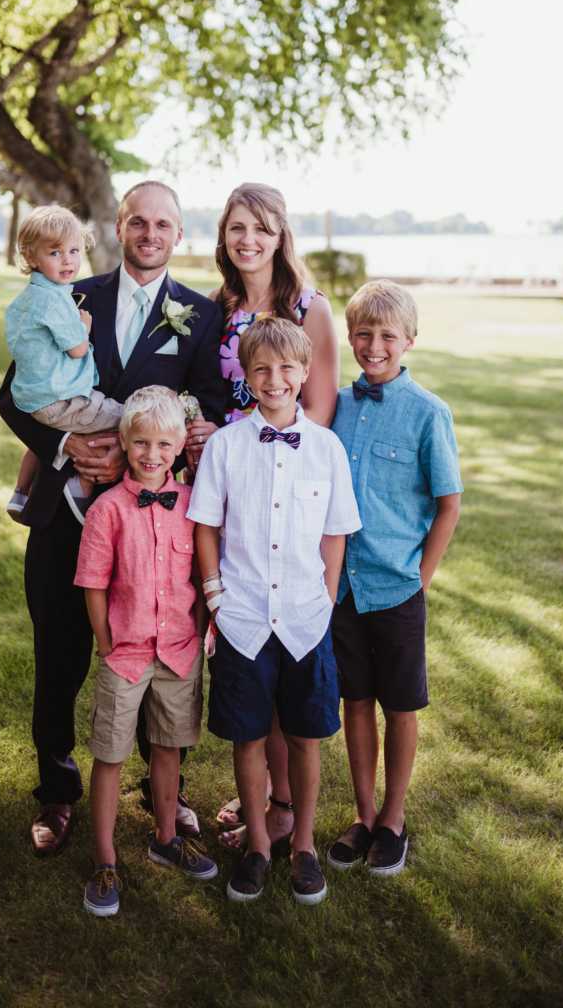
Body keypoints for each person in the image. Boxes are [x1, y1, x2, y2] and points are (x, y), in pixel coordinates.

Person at [0, 181, 224, 857]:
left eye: (163, 225)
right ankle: (57, 791)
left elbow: (207, 402)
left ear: (177, 235)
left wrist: (183, 436)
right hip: (65, 512)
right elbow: (13, 395)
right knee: (60, 654)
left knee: (161, 654)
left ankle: (163, 793)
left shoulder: (199, 314)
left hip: (154, 528)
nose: (150, 234)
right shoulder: (68, 290)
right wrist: (66, 446)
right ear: (118, 227)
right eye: (138, 222)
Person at [184, 181, 340, 854]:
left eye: (263, 228)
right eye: (237, 228)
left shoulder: (309, 307)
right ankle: (256, 795)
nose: (249, 239)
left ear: (282, 236)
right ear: (223, 237)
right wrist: (202, 435)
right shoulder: (214, 309)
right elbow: (207, 395)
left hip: (287, 492)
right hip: (223, 484)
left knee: (288, 649)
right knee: (244, 649)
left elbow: (320, 412)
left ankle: (281, 807)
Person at [189, 317, 361, 905]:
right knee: (250, 737)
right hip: (241, 620)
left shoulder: (328, 449)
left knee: (306, 737)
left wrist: (325, 597)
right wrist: (215, 596)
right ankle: (258, 844)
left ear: (306, 373)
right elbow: (206, 525)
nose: (275, 379)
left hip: (306, 619)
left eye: (287, 368)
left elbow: (335, 534)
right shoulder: (226, 446)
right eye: (261, 368)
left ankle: (305, 844)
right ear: (247, 374)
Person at [328, 280, 462, 876]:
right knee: (354, 700)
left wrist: (422, 578)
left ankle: (394, 817)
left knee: (399, 705)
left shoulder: (429, 413)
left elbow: (448, 504)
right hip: (342, 587)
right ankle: (361, 814)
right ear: (350, 337)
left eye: (386, 336)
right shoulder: (335, 405)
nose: (374, 346)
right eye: (363, 334)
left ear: (409, 339)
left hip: (396, 586)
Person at [75, 387, 217, 917]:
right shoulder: (107, 510)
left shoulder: (192, 505)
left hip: (179, 653)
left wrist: (199, 629)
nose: (151, 454)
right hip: (126, 654)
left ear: (180, 445)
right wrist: (107, 644)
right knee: (109, 754)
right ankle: (105, 858)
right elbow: (93, 583)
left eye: (162, 443)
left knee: (167, 749)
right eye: (140, 443)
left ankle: (165, 837)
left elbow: (203, 572)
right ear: (124, 442)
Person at [4, 205, 123, 522]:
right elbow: (77, 349)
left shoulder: (27, 298)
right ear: (31, 257)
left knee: (38, 444)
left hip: (32, 398)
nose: (68, 259)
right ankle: (80, 487)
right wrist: (83, 326)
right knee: (122, 416)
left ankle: (20, 492)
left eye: (74, 250)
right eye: (55, 252)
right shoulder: (55, 300)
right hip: (62, 398)